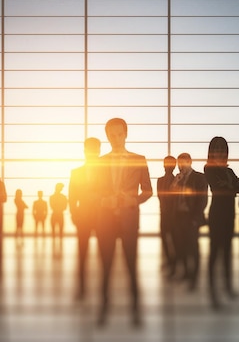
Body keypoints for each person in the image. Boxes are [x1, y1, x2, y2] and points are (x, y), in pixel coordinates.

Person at [94, 118, 152, 327]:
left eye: (119, 134)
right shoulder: (99, 162)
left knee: (131, 265)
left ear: (126, 134)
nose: (116, 139)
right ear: (107, 136)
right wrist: (103, 200)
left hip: (128, 219)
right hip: (106, 220)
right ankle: (103, 308)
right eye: (112, 135)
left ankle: (136, 310)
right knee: (106, 266)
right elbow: (92, 192)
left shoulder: (139, 159)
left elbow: (148, 191)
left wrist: (133, 200)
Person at [204, 137, 239, 309]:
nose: (219, 152)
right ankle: (212, 291)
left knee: (227, 250)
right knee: (215, 251)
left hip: (229, 214)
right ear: (211, 152)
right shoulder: (209, 169)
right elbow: (219, 189)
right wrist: (236, 188)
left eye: (222, 149)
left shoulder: (230, 171)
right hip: (217, 214)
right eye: (216, 149)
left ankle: (227, 287)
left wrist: (236, 188)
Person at [69, 137, 101, 300]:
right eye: (89, 149)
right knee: (82, 254)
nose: (92, 153)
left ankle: (103, 291)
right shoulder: (76, 172)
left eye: (95, 150)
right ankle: (81, 289)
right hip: (83, 217)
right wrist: (74, 215)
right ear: (84, 151)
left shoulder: (107, 172)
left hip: (103, 217)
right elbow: (72, 197)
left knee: (104, 255)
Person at [171, 152, 207, 291]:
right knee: (181, 246)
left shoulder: (199, 177)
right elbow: (170, 194)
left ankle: (194, 278)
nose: (181, 165)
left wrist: (195, 218)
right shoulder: (178, 178)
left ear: (190, 162)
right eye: (179, 163)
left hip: (191, 216)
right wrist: (176, 181)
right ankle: (186, 273)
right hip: (179, 216)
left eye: (183, 162)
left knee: (192, 247)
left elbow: (202, 199)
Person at [156, 155, 177, 278]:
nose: (168, 166)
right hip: (163, 213)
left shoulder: (177, 180)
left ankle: (174, 262)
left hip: (173, 214)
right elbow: (160, 195)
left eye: (171, 164)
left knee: (173, 240)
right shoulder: (159, 180)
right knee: (164, 238)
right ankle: (169, 260)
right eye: (166, 163)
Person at [49, 182, 68, 257]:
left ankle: (57, 243)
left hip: (56, 214)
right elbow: (65, 206)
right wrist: (60, 209)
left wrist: (57, 209)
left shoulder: (52, 197)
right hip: (59, 214)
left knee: (58, 230)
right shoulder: (63, 197)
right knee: (59, 230)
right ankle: (59, 243)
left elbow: (52, 205)